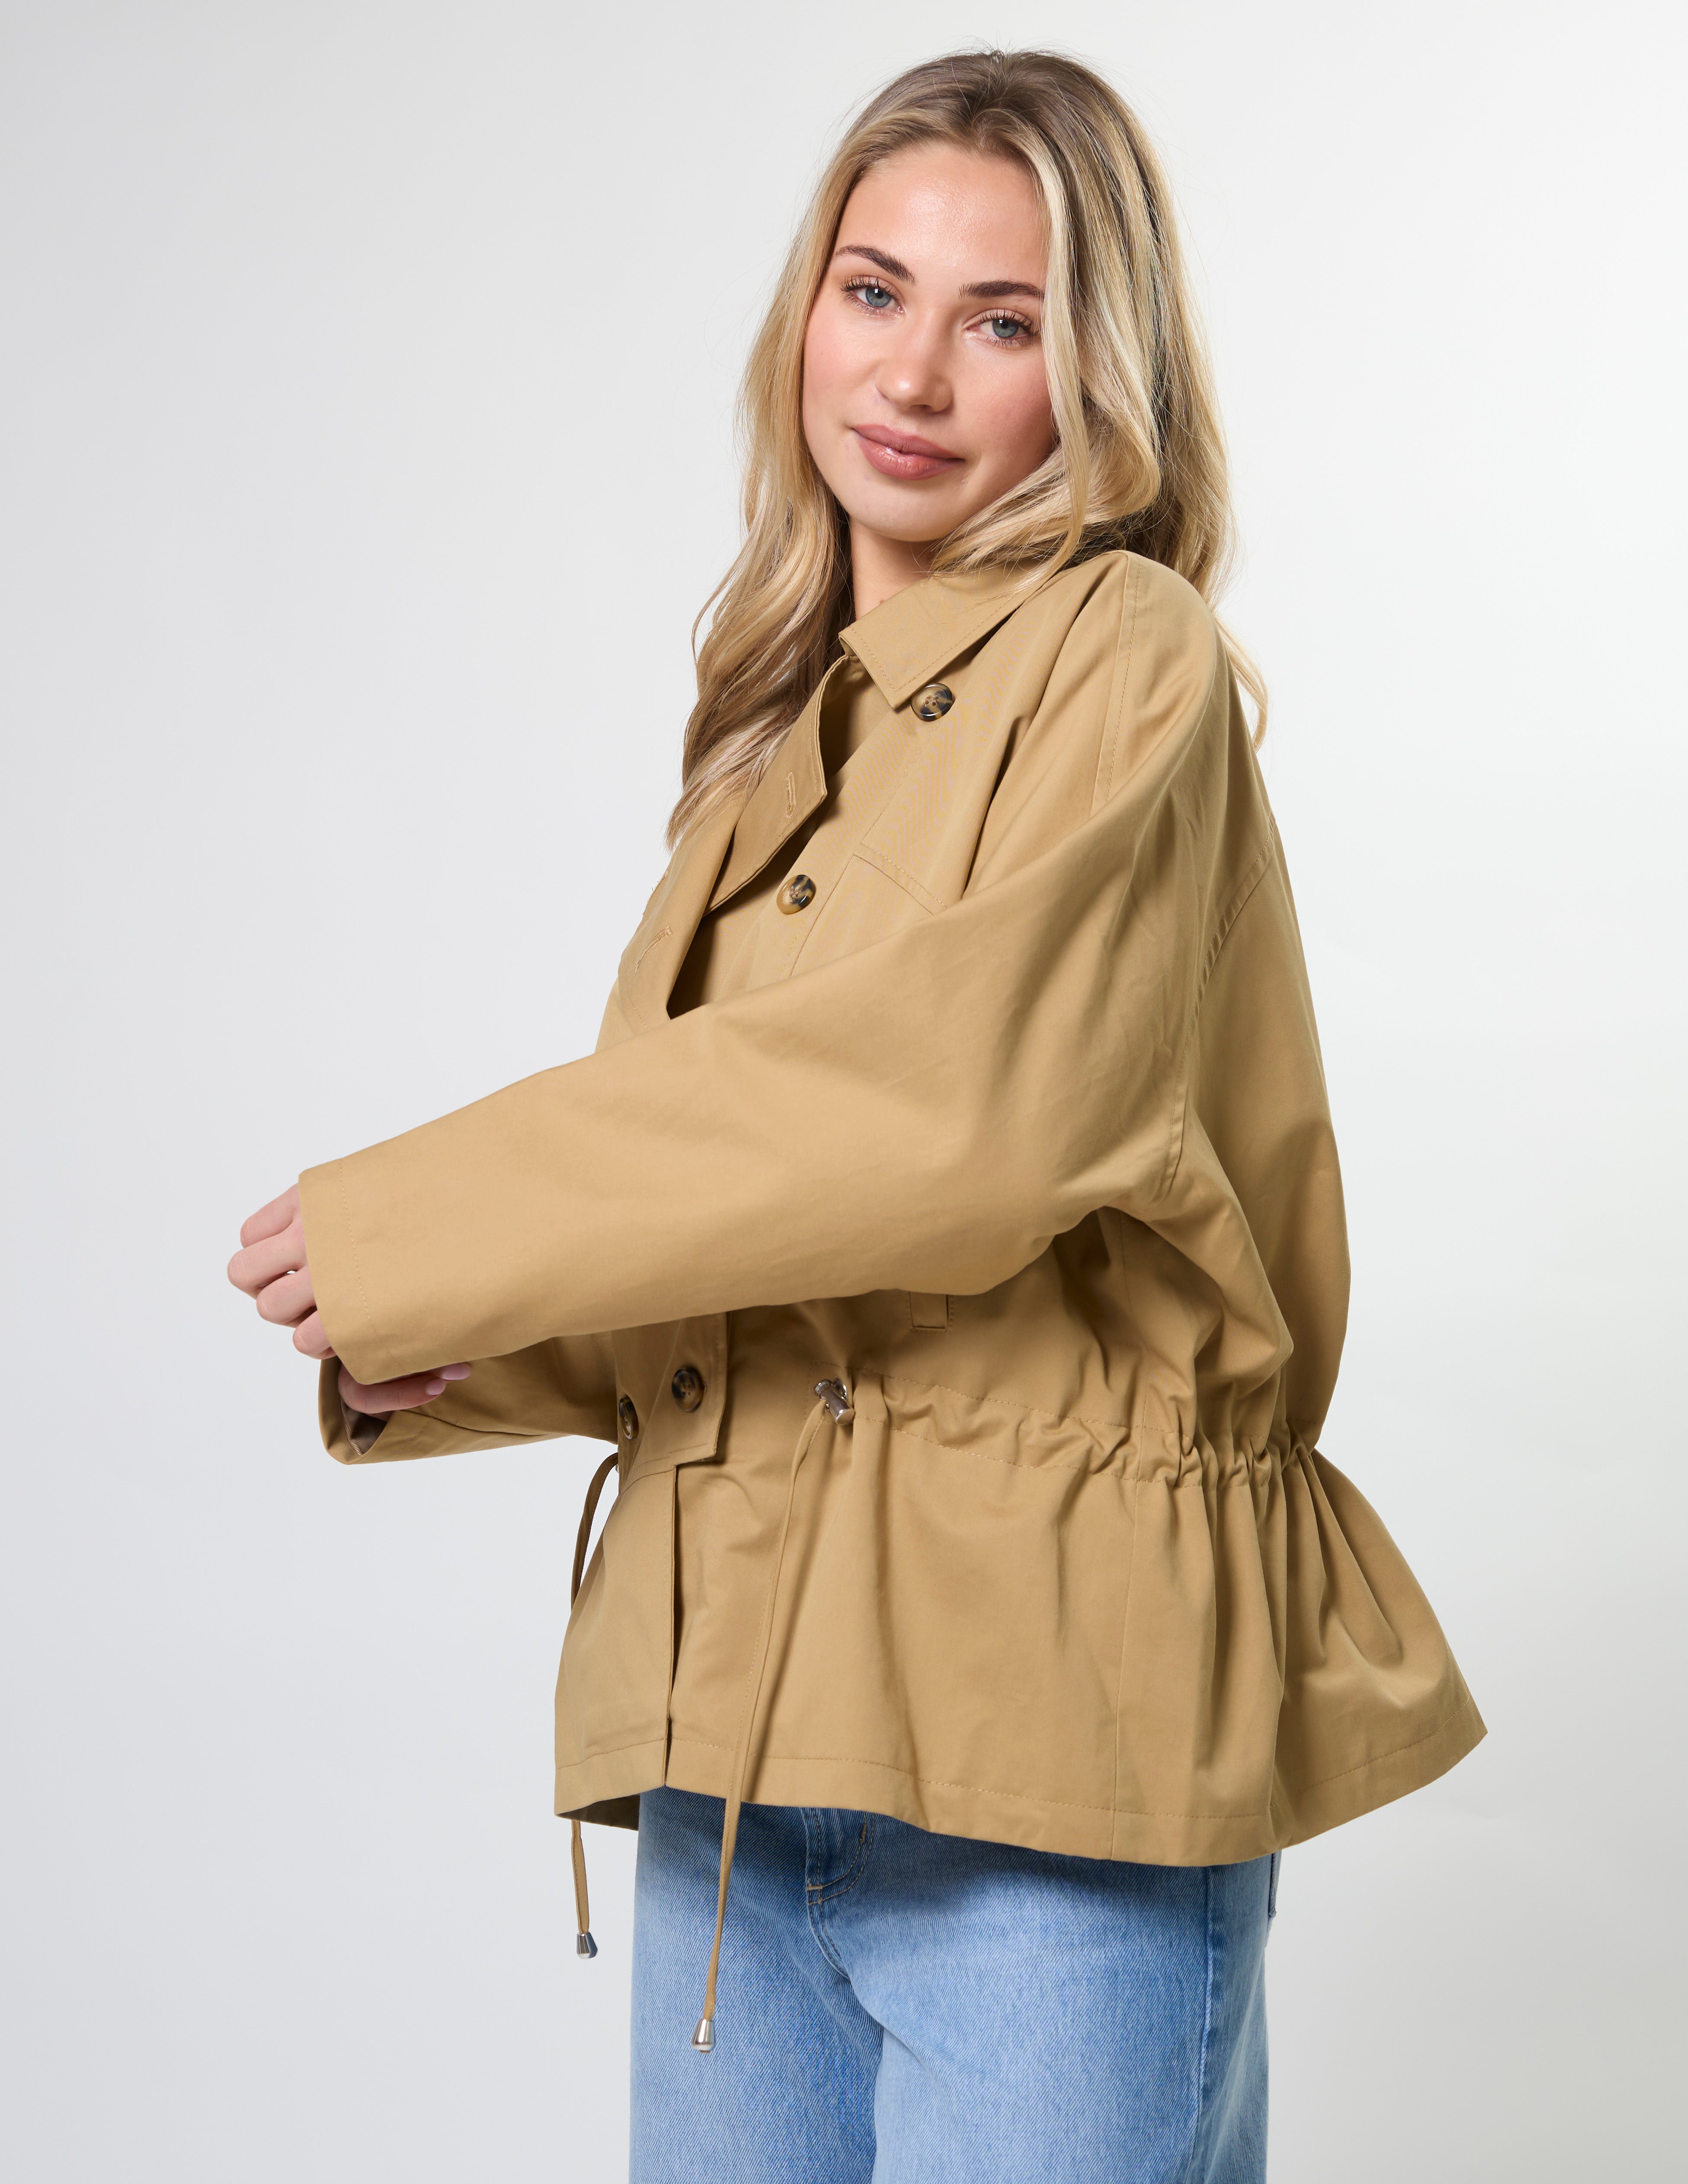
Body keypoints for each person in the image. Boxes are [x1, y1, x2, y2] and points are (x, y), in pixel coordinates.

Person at [229, 48, 1483, 2183]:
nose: (909, 373)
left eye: (1001, 319)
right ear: (802, 310)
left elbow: (960, 1116)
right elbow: (758, 1236)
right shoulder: (768, 756)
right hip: (738, 1759)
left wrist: (427, 1224)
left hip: (1046, 1762)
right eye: (872, 288)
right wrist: (445, 1340)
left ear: (1095, 374)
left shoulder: (1125, 657)